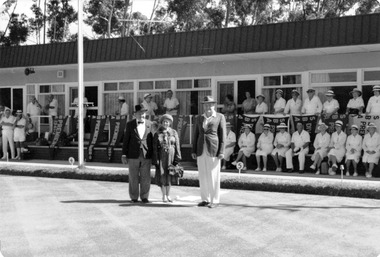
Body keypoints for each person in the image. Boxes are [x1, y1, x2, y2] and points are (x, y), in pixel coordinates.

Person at [191, 96, 226, 208]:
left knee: (213, 175)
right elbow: (195, 134)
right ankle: (205, 199)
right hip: (201, 149)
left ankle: (214, 200)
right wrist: (193, 149)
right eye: (205, 104)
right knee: (203, 175)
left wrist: (221, 151)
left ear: (214, 105)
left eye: (210, 104)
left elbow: (222, 135)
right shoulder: (199, 118)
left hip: (213, 149)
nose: (207, 107)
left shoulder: (220, 117)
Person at [121, 104, 153, 203]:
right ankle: (134, 197)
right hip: (133, 154)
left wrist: (154, 155)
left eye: (143, 113)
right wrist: (124, 154)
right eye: (140, 113)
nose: (142, 115)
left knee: (146, 177)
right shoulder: (130, 124)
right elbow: (126, 140)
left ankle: (144, 197)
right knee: (133, 176)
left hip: (146, 154)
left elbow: (152, 141)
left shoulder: (150, 124)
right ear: (135, 114)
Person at [153, 114, 181, 203]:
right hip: (161, 156)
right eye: (164, 121)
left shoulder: (174, 132)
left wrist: (178, 157)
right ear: (161, 123)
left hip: (171, 156)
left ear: (170, 123)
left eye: (167, 122)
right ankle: (164, 195)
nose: (166, 123)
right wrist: (156, 159)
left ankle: (168, 195)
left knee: (170, 175)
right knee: (162, 175)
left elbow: (177, 145)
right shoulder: (157, 133)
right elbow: (154, 147)